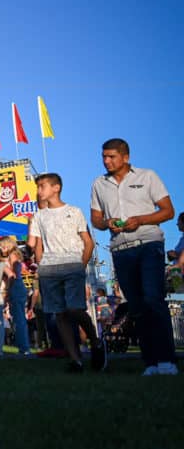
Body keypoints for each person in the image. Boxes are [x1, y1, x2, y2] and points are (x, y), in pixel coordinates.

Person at [89, 138, 176, 376]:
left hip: (149, 244)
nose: (106, 161)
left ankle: (167, 360)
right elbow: (95, 219)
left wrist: (140, 220)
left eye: (112, 156)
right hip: (120, 249)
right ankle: (150, 363)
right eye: (104, 156)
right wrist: (106, 223)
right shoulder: (99, 184)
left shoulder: (147, 176)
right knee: (136, 306)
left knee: (153, 299)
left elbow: (168, 211)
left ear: (125, 157)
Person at [30, 172, 105, 373]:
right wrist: (40, 265)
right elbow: (37, 244)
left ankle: (96, 341)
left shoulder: (74, 211)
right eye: (37, 187)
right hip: (49, 269)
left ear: (56, 188)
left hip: (72, 266)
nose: (39, 191)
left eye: (42, 186)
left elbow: (87, 241)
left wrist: (82, 264)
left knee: (75, 310)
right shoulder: (39, 216)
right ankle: (75, 360)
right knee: (60, 314)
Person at [0, 236, 31, 355]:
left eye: (1, 246)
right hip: (19, 287)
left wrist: (8, 291)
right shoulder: (16, 255)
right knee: (19, 318)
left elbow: (12, 275)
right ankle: (24, 345)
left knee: (18, 319)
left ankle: (24, 347)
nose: (0, 249)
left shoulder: (12, 256)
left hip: (15, 287)